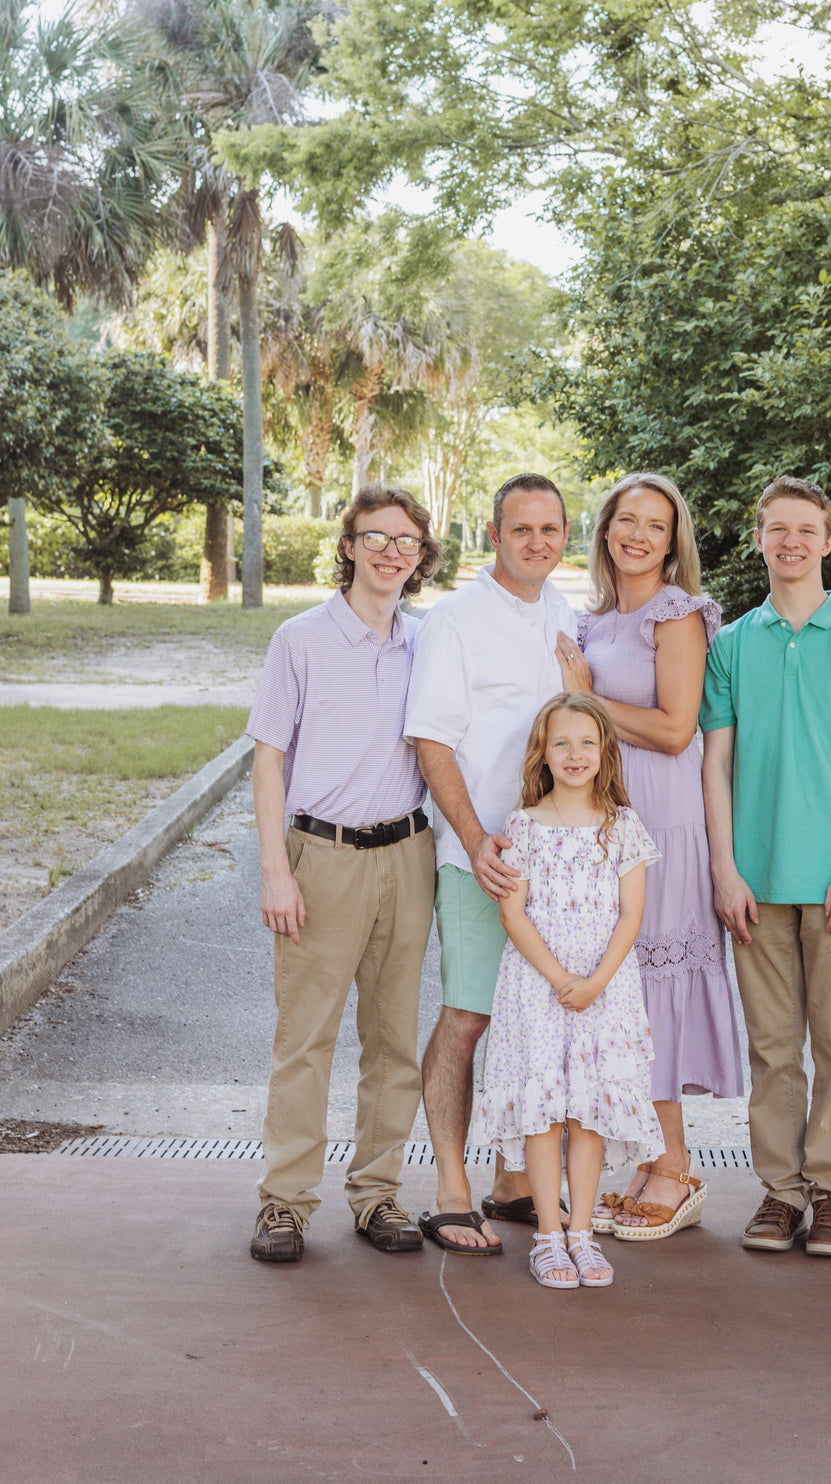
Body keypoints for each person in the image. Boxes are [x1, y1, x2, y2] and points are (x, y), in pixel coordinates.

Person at [700, 475, 831, 1259]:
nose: (791, 542)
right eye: (777, 529)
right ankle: (782, 1192)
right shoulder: (730, 645)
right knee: (772, 1047)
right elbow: (716, 764)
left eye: (805, 530)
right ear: (758, 539)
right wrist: (725, 868)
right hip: (755, 881)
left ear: (828, 542)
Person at [246, 485, 441, 1263]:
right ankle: (285, 1202)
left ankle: (378, 1194)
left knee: (394, 1040)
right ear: (350, 546)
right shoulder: (300, 639)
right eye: (376, 538)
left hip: (408, 854)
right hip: (321, 857)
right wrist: (276, 872)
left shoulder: (428, 644)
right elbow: (268, 761)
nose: (392, 552)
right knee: (306, 1040)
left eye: (406, 541)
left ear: (422, 556)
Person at [555, 473, 742, 1240]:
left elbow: (674, 729)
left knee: (652, 992)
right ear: (605, 530)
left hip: (663, 824)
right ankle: (652, 1158)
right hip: (606, 827)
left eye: (655, 526)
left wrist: (587, 700)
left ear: (673, 543)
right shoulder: (595, 621)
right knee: (620, 995)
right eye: (626, 520)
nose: (637, 534)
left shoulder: (677, 614)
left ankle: (675, 1164)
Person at [404, 474, 576, 1254]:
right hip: (482, 858)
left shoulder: (562, 614)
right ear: (493, 534)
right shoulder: (455, 621)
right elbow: (432, 742)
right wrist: (475, 840)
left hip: (557, 863)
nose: (537, 542)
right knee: (470, 1015)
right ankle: (450, 1189)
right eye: (521, 529)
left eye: (550, 528)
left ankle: (512, 1183)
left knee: (533, 1019)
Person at [473, 693, 664, 1288]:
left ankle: (582, 1233)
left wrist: (596, 982)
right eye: (562, 743)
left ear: (605, 751)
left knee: (588, 1114)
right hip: (538, 989)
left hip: (605, 988)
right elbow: (513, 914)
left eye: (587, 742)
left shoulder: (622, 825)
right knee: (544, 1114)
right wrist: (561, 980)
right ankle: (549, 1238)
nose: (575, 754)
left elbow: (632, 915)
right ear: (544, 753)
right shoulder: (524, 826)